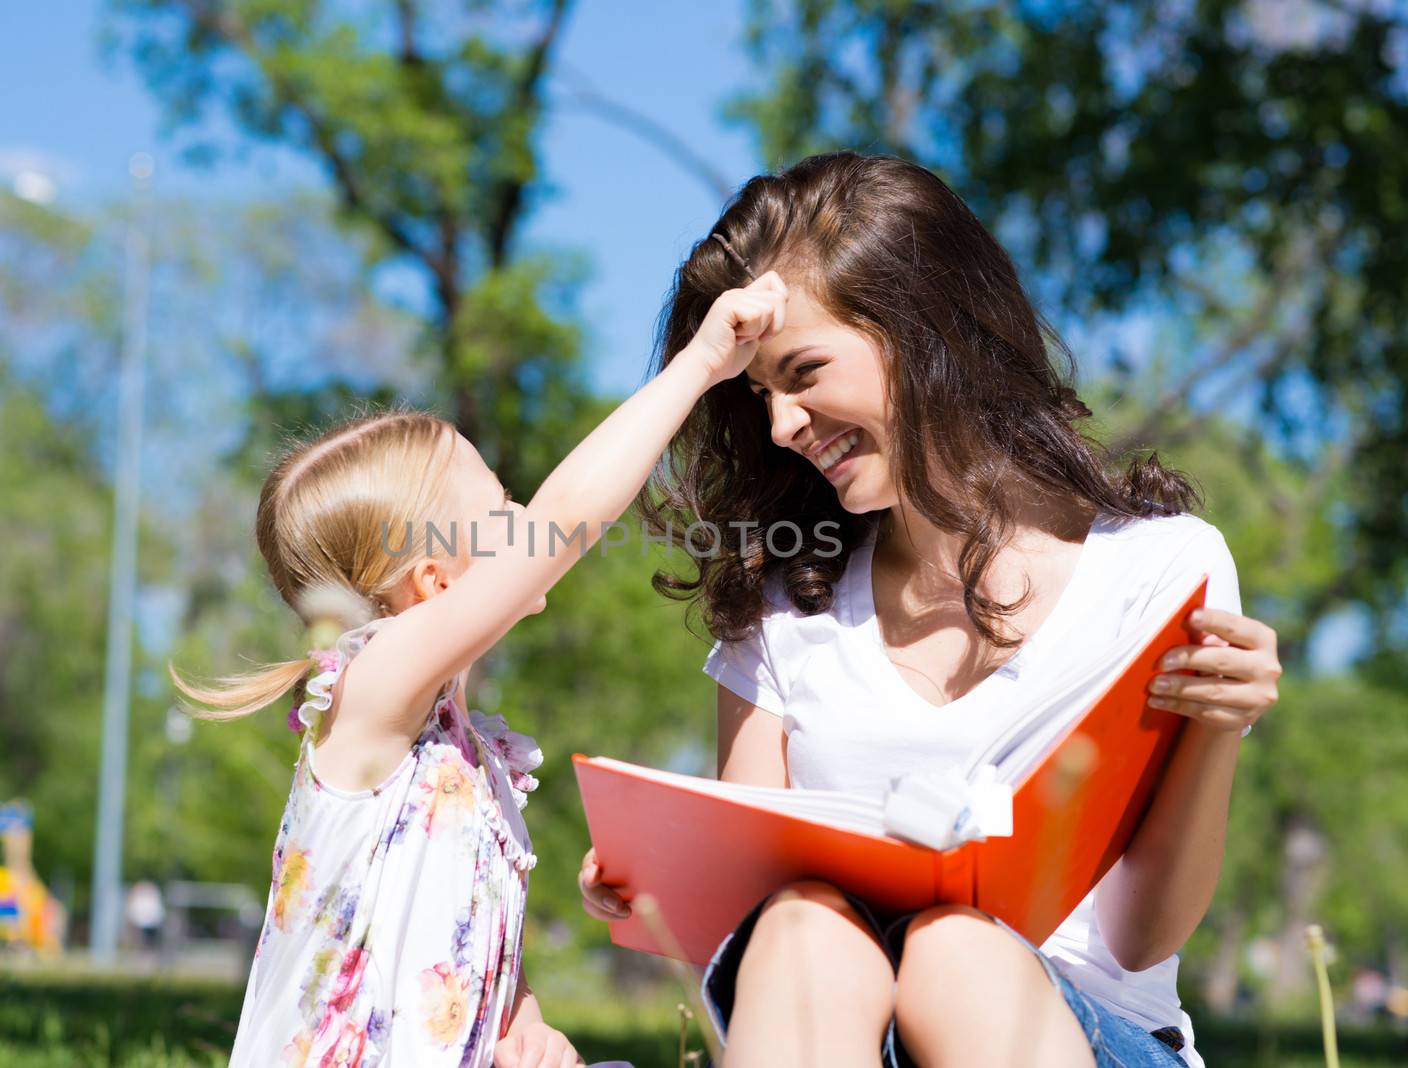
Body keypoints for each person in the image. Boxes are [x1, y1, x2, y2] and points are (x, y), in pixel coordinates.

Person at [578, 152, 1283, 1068]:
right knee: (798, 926)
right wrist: (667, 878)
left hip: (1088, 1033)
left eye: (804, 372)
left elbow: (1141, 940)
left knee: (955, 952)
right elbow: (750, 917)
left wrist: (1215, 730)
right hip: (844, 1033)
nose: (783, 425)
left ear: (921, 328)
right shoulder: (785, 607)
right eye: (759, 396)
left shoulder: (1161, 569)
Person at [173, 267, 788, 1067]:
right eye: (503, 511)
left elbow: (470, 951)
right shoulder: (373, 688)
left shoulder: (466, 758)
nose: (524, 522)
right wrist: (700, 362)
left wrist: (526, 1024)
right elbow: (565, 521)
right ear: (433, 583)